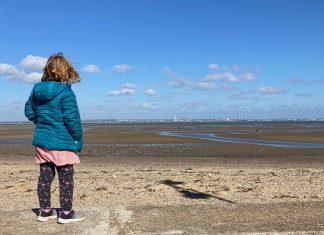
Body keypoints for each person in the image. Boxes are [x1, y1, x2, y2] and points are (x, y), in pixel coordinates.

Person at [24, 53, 85, 224]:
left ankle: (45, 211)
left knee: (45, 177)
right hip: (62, 143)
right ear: (65, 71)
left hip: (43, 142)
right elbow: (72, 120)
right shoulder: (66, 92)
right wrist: (78, 138)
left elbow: (29, 111)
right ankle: (65, 213)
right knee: (66, 178)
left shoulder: (36, 90)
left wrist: (41, 121)